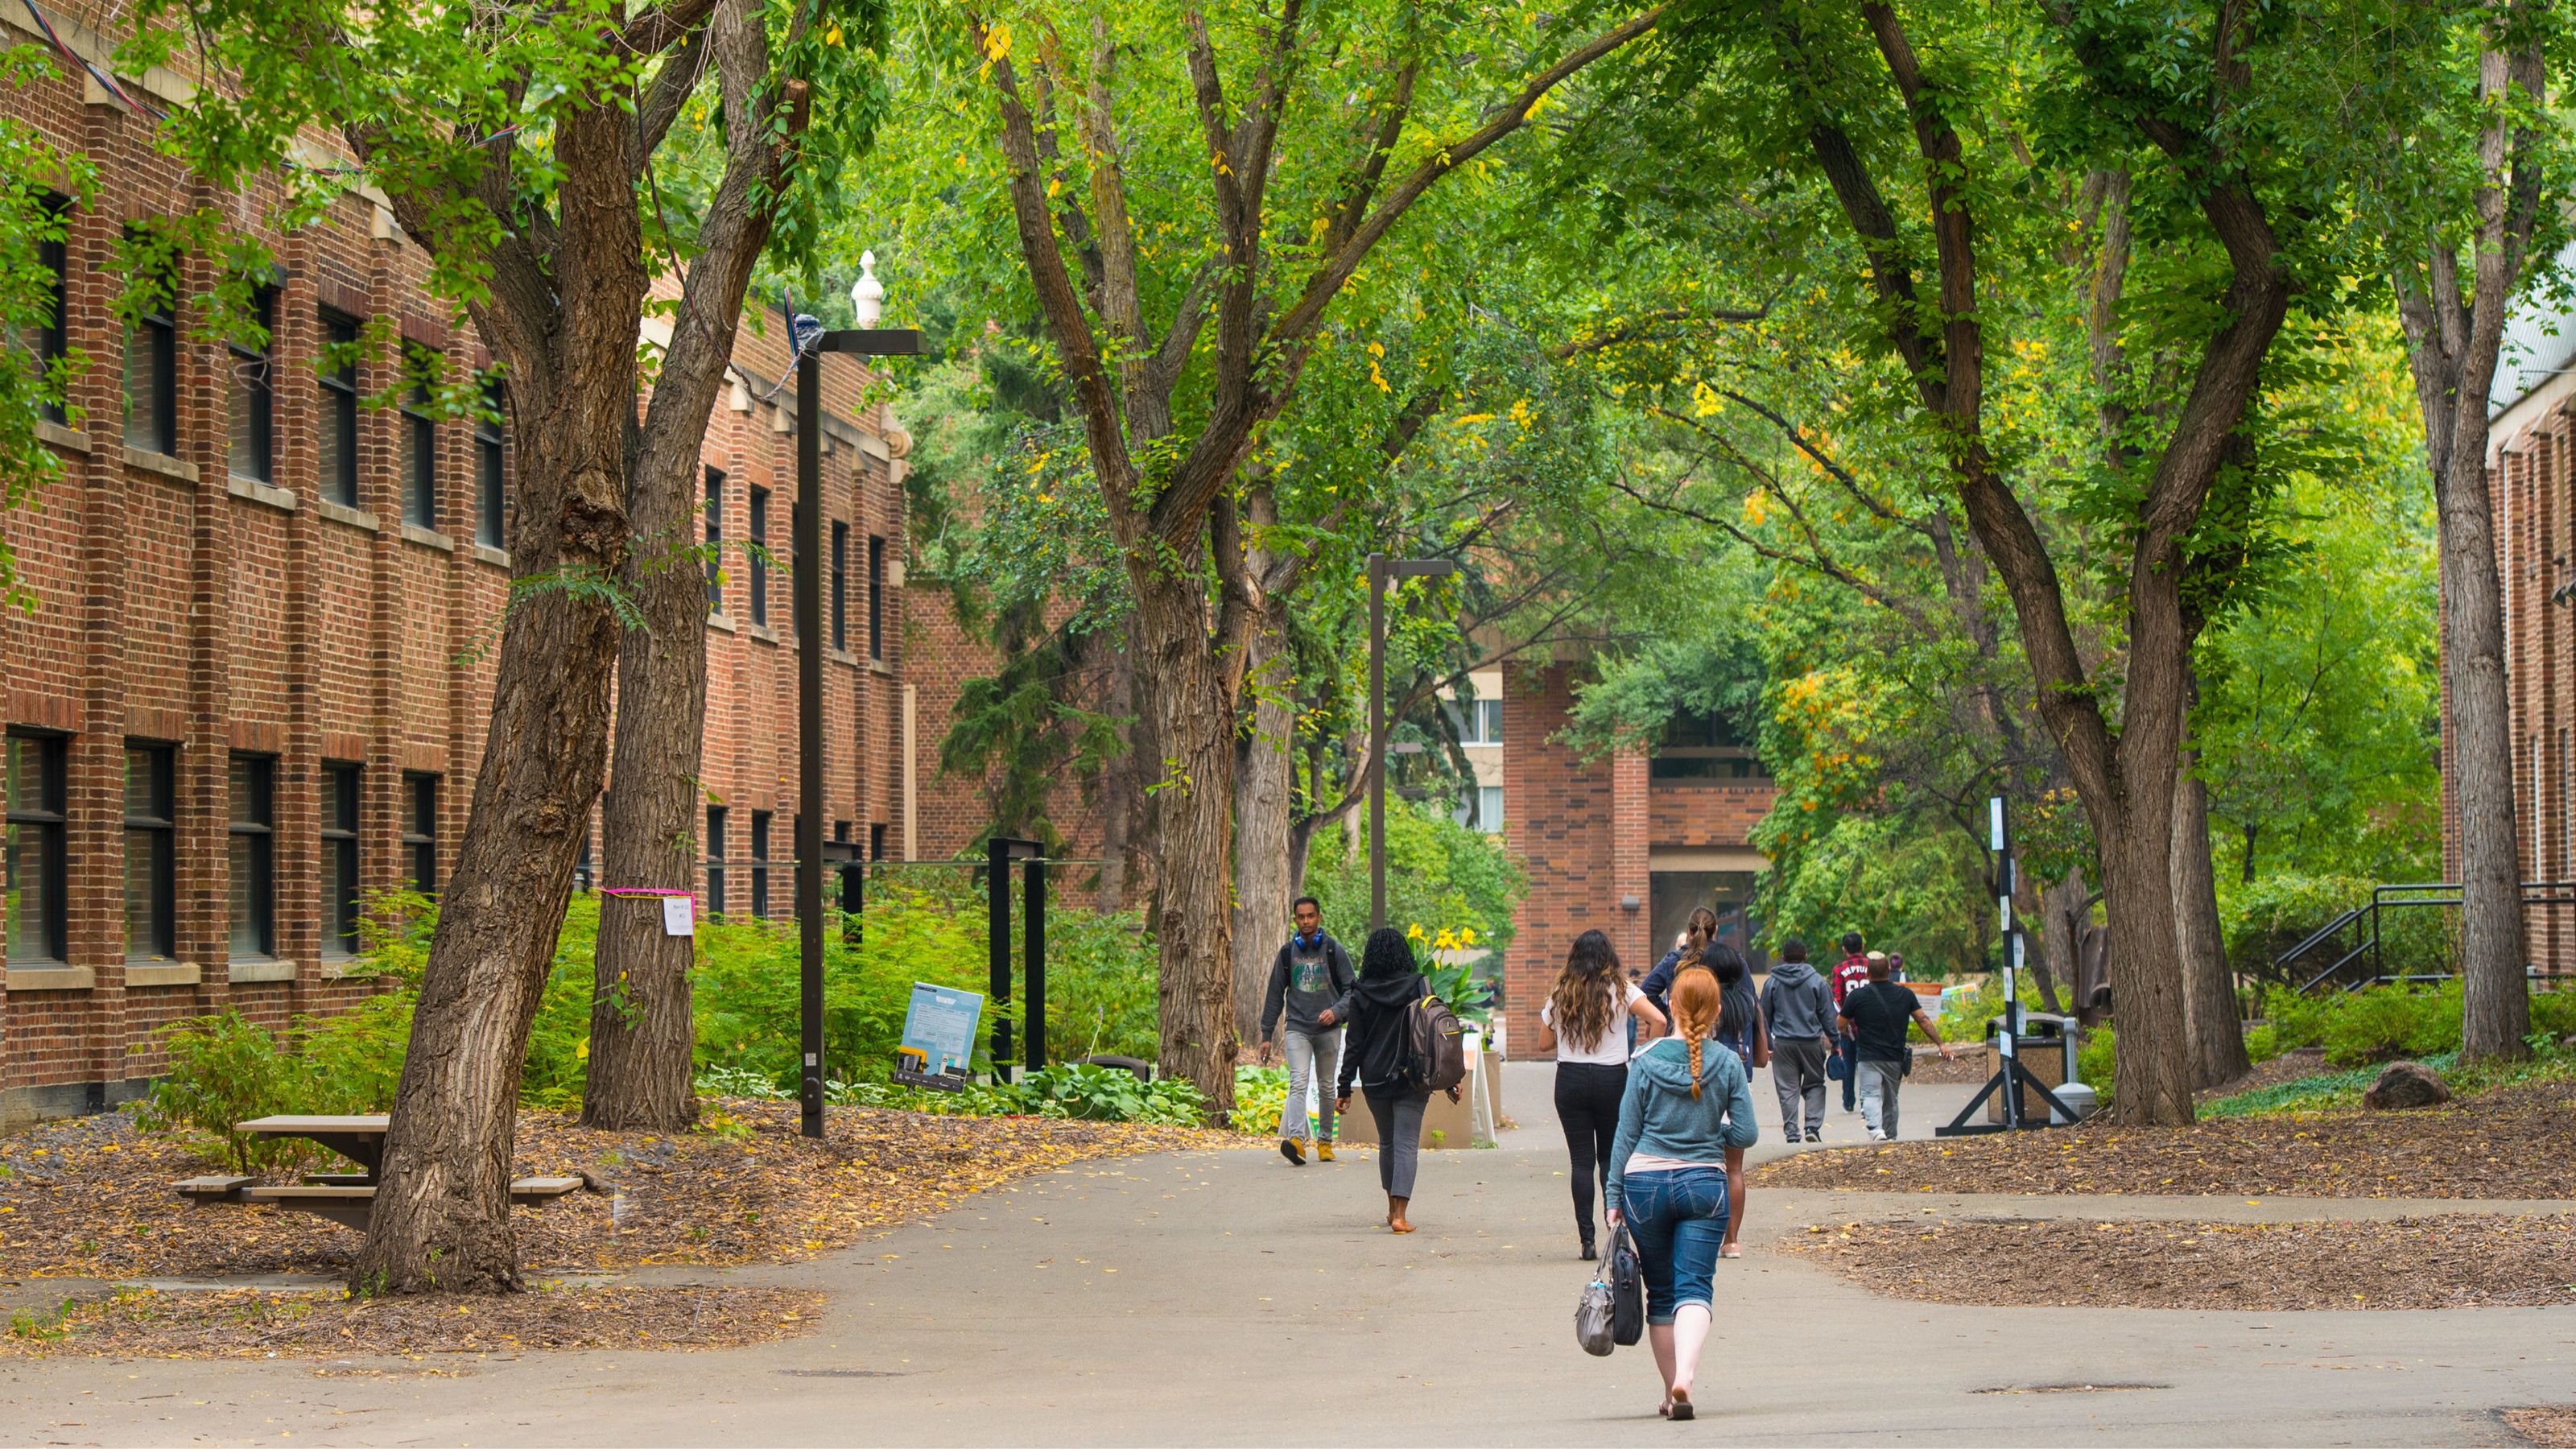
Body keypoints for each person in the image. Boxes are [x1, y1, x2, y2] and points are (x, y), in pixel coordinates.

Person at [1604, 968, 1759, 1421]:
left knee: (1662, 1295)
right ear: (1716, 1012)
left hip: (1644, 1185)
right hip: (1705, 1188)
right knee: (1696, 1288)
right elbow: (1746, 1132)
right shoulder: (1728, 1063)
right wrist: (1714, 1127)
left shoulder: (1645, 1060)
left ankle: (1670, 1394)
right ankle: (1685, 1380)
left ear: (1670, 1005)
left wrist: (1613, 1195)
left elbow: (1625, 1134)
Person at [1535, 929, 1668, 1260]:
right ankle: (1615, 1232)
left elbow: (1543, 1043)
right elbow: (1659, 1019)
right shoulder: (1623, 990)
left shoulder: (1562, 993)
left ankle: (1587, 1240)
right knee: (1611, 1158)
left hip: (1571, 1079)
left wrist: (1569, 1033)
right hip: (1613, 1079)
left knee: (1580, 1161)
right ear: (1610, 957)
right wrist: (1646, 1051)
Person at [1335, 927, 1462, 1233]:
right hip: (1412, 1075)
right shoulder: (1418, 985)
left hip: (1375, 1078)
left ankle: (1391, 1208)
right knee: (1406, 1144)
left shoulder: (1361, 991)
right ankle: (1401, 1216)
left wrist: (1344, 1087)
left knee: (1388, 1143)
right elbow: (1435, 1034)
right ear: (1404, 952)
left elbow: (1353, 1043)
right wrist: (1450, 1078)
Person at [1257, 895, 1359, 1166]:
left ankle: (1325, 1142)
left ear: (1319, 918)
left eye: (1310, 916)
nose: (1306, 922)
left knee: (1327, 1086)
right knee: (1298, 1082)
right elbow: (1274, 994)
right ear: (1295, 920)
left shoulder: (1333, 951)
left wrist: (1336, 1012)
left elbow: (1353, 989)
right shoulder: (1287, 953)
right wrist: (1267, 1035)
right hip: (1298, 1028)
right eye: (1300, 917)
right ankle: (1297, 1140)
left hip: (1329, 1030)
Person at [1837, 952, 1956, 1140]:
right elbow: (1923, 1020)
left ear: (1867, 973)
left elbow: (1840, 1023)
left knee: (1870, 1094)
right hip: (1894, 1057)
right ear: (1888, 971)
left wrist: (1845, 1032)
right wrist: (1941, 1044)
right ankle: (1891, 1135)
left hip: (1868, 1056)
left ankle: (1876, 1130)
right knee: (1891, 1099)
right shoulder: (1905, 994)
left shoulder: (1857, 996)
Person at [1702, 945, 1769, 1260]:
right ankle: (1731, 1241)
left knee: (1700, 1163)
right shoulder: (1749, 1003)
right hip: (1739, 1088)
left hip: (1704, 1089)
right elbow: (1762, 1057)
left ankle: (1701, 1234)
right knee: (1734, 1169)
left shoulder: (1705, 1003)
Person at [1760, 937, 1836, 1144]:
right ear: (1805, 957)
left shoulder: (1773, 982)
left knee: (1787, 1089)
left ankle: (1792, 1134)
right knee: (1815, 1084)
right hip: (1812, 1042)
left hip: (1783, 1043)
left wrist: (1765, 1042)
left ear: (1783, 958)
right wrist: (1836, 1041)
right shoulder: (1817, 981)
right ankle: (1812, 1125)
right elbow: (1828, 1014)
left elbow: (1763, 1015)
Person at [1638, 906, 1719, 1025]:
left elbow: (1646, 991)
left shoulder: (1674, 960)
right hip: (1714, 1034)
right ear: (1715, 930)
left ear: (1689, 931)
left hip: (1679, 1031)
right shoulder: (1727, 959)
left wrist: (1670, 1016)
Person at [1828, 933, 1872, 1113]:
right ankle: (1865, 1100)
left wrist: (1840, 1023)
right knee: (1865, 1063)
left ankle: (1848, 1101)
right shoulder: (1871, 966)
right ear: (1862, 947)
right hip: (1869, 1023)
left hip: (1848, 1024)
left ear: (1844, 949)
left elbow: (1836, 999)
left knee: (1848, 1062)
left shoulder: (1839, 970)